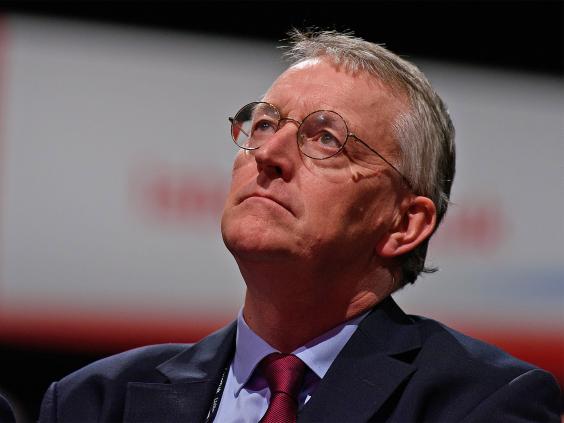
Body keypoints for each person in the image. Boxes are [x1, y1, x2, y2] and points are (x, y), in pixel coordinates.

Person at [39, 30, 560, 422]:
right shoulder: (94, 401)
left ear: (404, 224)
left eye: (325, 138)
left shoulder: (483, 402)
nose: (268, 153)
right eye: (265, 124)